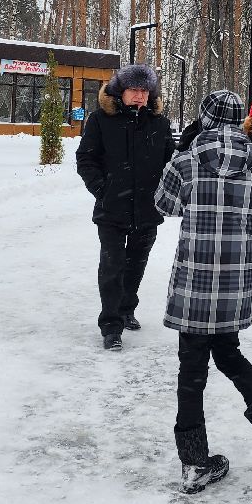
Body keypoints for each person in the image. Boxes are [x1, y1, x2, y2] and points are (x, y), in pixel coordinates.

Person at [154, 90, 252, 494]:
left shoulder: (186, 162)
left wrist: (182, 152)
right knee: (229, 355)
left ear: (204, 119)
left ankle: (194, 462)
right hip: (234, 288)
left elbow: (163, 203)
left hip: (193, 286)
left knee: (191, 372)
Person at [75, 63, 175, 351]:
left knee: (136, 266)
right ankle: (111, 325)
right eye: (134, 90)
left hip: (147, 208)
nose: (140, 96)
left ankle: (127, 307)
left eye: (145, 91)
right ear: (121, 90)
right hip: (112, 210)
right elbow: (86, 159)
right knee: (112, 266)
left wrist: (163, 191)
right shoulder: (100, 120)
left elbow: (170, 163)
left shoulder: (159, 123)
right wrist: (102, 189)